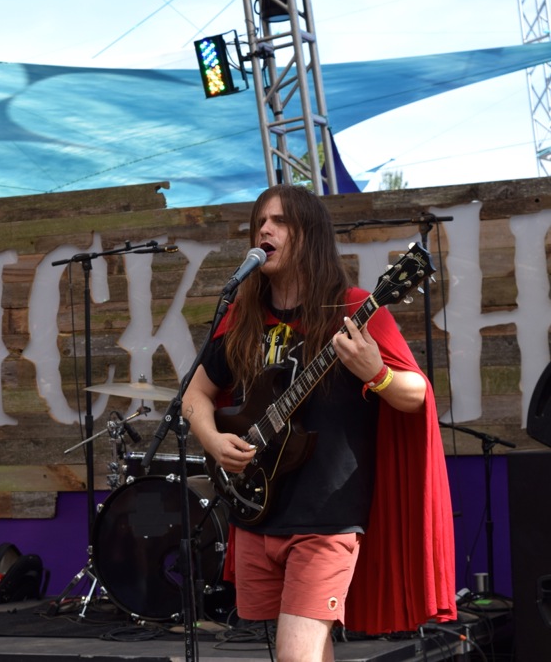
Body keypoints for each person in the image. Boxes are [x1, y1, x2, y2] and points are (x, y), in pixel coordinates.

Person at [183, 185, 456, 661]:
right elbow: (195, 395)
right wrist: (211, 437)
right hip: (259, 509)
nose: (264, 230)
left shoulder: (351, 309)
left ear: (310, 235)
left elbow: (416, 396)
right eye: (260, 222)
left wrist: (377, 372)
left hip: (326, 516)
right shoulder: (244, 317)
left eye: (280, 221)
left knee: (295, 656)